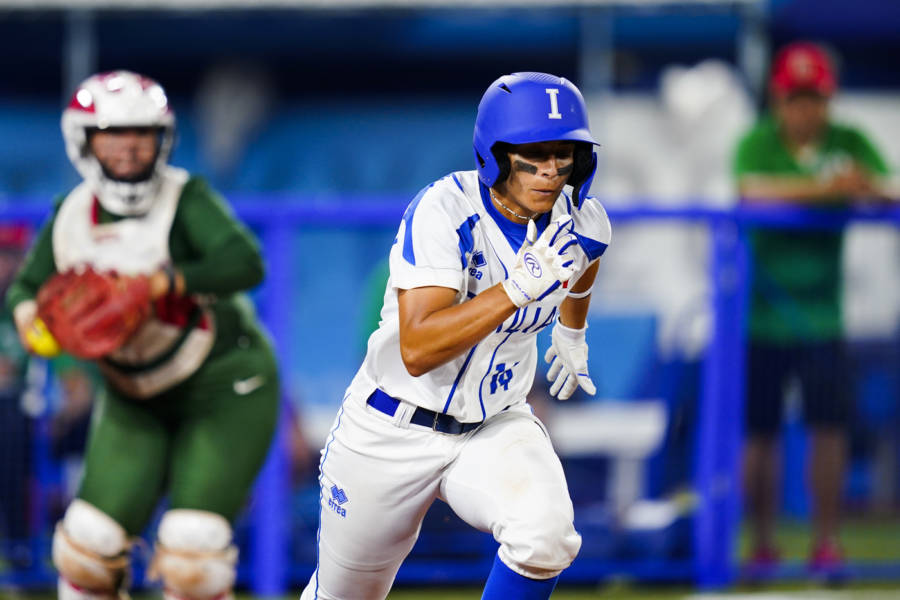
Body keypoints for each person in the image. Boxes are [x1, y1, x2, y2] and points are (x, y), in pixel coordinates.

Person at [300, 71, 611, 600]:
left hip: (494, 423)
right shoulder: (444, 209)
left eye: (563, 154)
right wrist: (514, 290)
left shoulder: (580, 221)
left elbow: (587, 257)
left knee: (546, 536)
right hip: (393, 426)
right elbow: (418, 349)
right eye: (534, 154)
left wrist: (571, 328)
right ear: (496, 154)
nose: (550, 170)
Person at [5, 70, 279, 600]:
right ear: (83, 141)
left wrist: (162, 282)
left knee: (193, 551)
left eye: (142, 134)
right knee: (87, 547)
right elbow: (26, 289)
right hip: (134, 397)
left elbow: (245, 263)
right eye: (113, 134)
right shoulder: (70, 216)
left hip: (224, 387)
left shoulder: (185, 198)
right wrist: (31, 321)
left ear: (163, 139)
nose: (129, 148)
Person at [734, 42, 891, 580]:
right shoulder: (758, 141)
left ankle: (827, 544)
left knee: (829, 429)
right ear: (778, 99)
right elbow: (750, 191)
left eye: (815, 99)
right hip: (762, 315)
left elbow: (889, 187)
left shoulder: (849, 141)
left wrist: (867, 188)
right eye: (795, 98)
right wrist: (829, 190)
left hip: (822, 319)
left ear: (829, 100)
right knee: (759, 433)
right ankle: (760, 546)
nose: (805, 110)